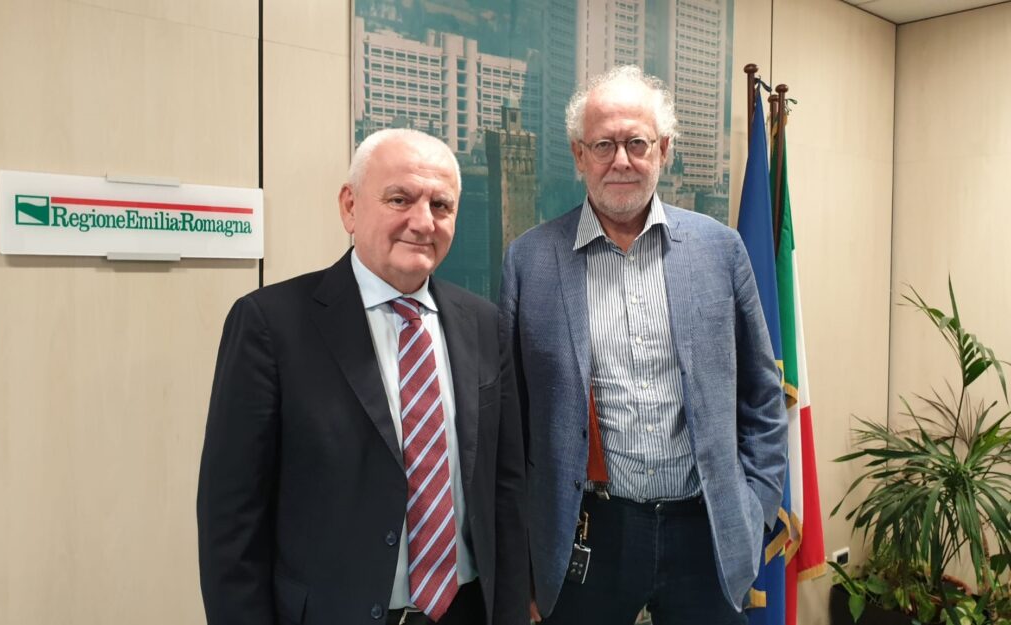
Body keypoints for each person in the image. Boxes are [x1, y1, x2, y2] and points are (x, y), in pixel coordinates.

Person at [198, 128, 528, 625]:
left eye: (441, 205)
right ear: (350, 207)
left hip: (465, 611)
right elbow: (231, 518)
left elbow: (505, 489)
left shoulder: (483, 324)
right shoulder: (271, 325)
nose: (423, 222)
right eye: (400, 199)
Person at [500, 65, 787, 624]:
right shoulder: (530, 260)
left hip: (706, 530)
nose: (621, 161)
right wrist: (527, 559)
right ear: (579, 155)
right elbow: (513, 422)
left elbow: (762, 395)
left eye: (637, 143)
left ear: (664, 150)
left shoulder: (721, 250)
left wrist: (754, 509)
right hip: (586, 532)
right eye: (603, 145)